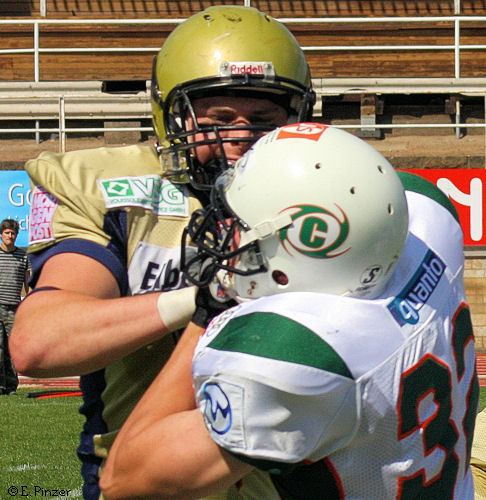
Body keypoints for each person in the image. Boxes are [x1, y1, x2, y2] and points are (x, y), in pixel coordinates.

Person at [9, 6, 315, 500]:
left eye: (262, 121)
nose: (240, 139)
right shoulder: (109, 187)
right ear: (173, 118)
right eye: (218, 120)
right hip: (148, 479)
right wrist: (203, 297)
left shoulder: (331, 192)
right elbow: (39, 343)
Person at [100, 123, 478, 499]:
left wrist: (208, 309)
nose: (226, 229)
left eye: (239, 223)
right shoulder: (427, 220)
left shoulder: (300, 353)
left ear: (305, 244)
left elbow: (123, 478)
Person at [0, 219, 30, 396]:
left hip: (14, 308)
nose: (10, 236)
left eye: (13, 233)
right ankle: (0, 385)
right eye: (7, 233)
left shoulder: (23, 256)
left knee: (12, 348)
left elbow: (28, 282)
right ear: (1, 234)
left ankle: (11, 386)